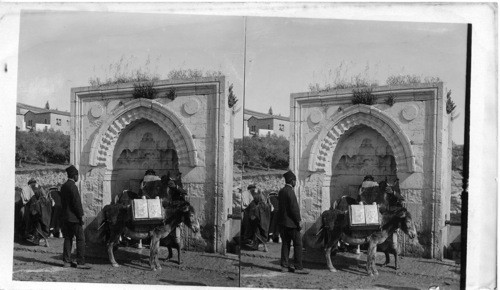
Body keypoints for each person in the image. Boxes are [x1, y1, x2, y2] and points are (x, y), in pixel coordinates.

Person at [277, 170, 308, 274]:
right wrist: (298, 221)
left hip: (282, 223)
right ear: (291, 181)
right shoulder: (290, 192)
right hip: (292, 224)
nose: (295, 182)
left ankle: (284, 266)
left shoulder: (281, 191)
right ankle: (298, 266)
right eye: (295, 180)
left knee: (285, 244)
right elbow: (294, 208)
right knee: (298, 244)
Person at [60, 165, 90, 269]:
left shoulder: (63, 187)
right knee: (80, 239)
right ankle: (80, 261)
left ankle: (66, 261)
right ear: (74, 175)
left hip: (65, 218)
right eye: (77, 175)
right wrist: (81, 215)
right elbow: (76, 203)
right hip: (74, 218)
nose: (78, 177)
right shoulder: (73, 186)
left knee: (68, 239)